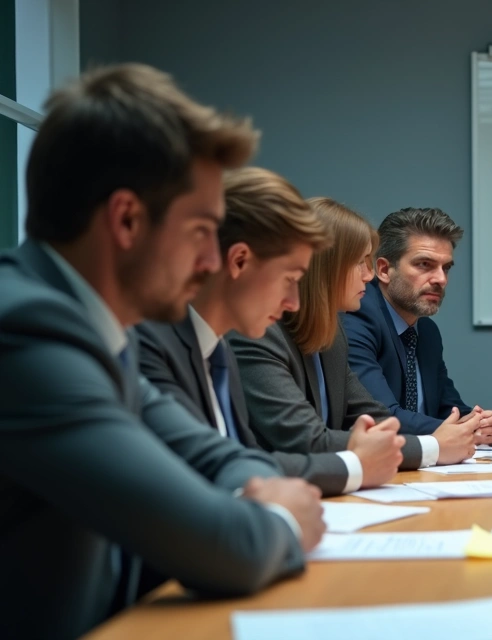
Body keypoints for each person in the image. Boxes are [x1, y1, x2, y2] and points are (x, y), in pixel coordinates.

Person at [0, 64, 322, 639]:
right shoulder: (28, 334)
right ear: (126, 219)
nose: (209, 263)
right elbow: (230, 546)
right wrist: (280, 515)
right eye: (201, 231)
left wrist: (255, 492)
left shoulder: (95, 330)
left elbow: (218, 457)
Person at [138, 167, 408, 497]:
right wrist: (356, 464)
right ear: (239, 262)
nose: (294, 302)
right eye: (290, 279)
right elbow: (212, 469)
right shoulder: (153, 345)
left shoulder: (218, 351)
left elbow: (246, 459)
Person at [231, 198, 477, 468]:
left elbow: (378, 420)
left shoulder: (333, 336)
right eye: (361, 262)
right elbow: (308, 440)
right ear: (325, 267)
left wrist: (456, 433)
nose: (369, 276)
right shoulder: (258, 333)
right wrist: (433, 447)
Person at [343, 207, 492, 442]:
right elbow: (383, 417)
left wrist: (477, 420)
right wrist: (462, 431)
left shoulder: (426, 330)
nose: (441, 279)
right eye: (424, 264)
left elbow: (448, 406)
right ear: (384, 270)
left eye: (446, 267)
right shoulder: (357, 318)